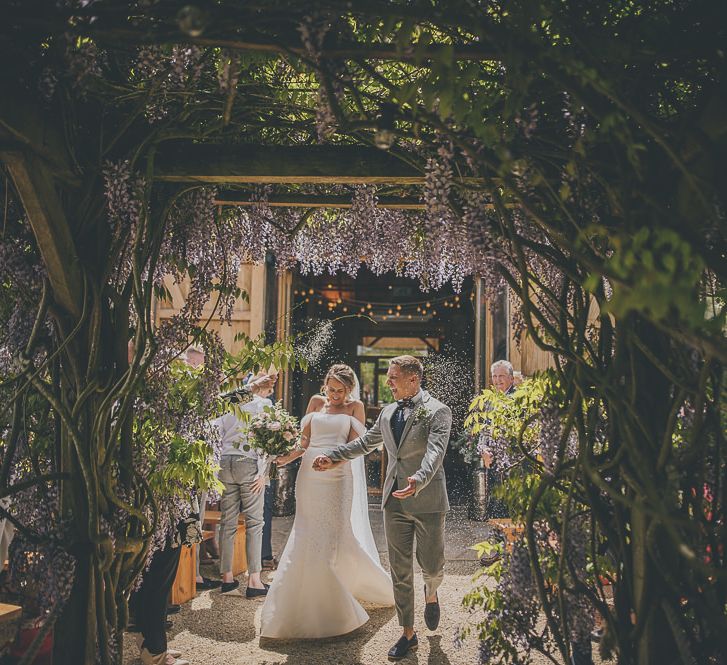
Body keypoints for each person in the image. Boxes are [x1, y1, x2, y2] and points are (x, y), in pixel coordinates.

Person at [313, 356, 452, 661]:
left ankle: (432, 591)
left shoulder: (438, 411)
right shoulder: (388, 413)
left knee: (431, 565)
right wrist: (334, 456)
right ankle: (407, 633)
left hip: (427, 500)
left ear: (413, 380)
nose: (388, 382)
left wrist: (419, 478)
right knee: (400, 571)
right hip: (394, 502)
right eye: (389, 377)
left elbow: (435, 452)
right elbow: (365, 443)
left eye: (393, 378)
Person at [260, 364, 394, 639]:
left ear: (349, 389)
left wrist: (334, 461)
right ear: (325, 385)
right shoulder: (315, 402)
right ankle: (305, 595)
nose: (334, 395)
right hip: (309, 475)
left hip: (337, 476)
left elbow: (358, 447)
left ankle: (339, 593)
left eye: (340, 391)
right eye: (331, 389)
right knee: (306, 530)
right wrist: (285, 457)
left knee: (334, 532)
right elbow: (303, 442)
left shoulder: (355, 407)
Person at [213, 371, 278, 598]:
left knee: (227, 521)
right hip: (248, 463)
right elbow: (267, 440)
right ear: (262, 386)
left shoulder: (228, 400)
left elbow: (216, 432)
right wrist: (263, 473)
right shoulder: (263, 404)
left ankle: (227, 579)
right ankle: (254, 580)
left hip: (225, 463)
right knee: (254, 523)